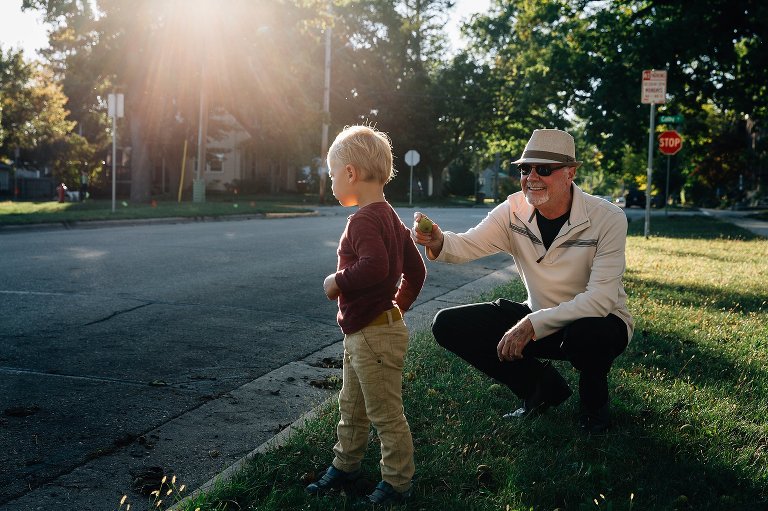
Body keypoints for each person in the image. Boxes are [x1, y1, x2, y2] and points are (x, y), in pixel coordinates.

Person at [412, 128, 633, 434]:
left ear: (570, 173)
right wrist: (437, 240)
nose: (531, 177)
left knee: (588, 333)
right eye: (524, 169)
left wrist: (532, 324)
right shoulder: (513, 210)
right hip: (539, 319)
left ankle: (594, 409)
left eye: (544, 169)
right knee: (448, 324)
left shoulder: (608, 217)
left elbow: (601, 299)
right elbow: (467, 245)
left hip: (598, 321)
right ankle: (541, 388)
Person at [305, 125, 426, 504]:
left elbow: (374, 266)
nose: (332, 182)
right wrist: (396, 309)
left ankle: (397, 484)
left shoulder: (362, 221)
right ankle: (346, 465)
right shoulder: (391, 217)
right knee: (352, 405)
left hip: (372, 334)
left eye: (332, 175)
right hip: (369, 331)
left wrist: (336, 282)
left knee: (386, 413)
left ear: (351, 173)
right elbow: (416, 271)